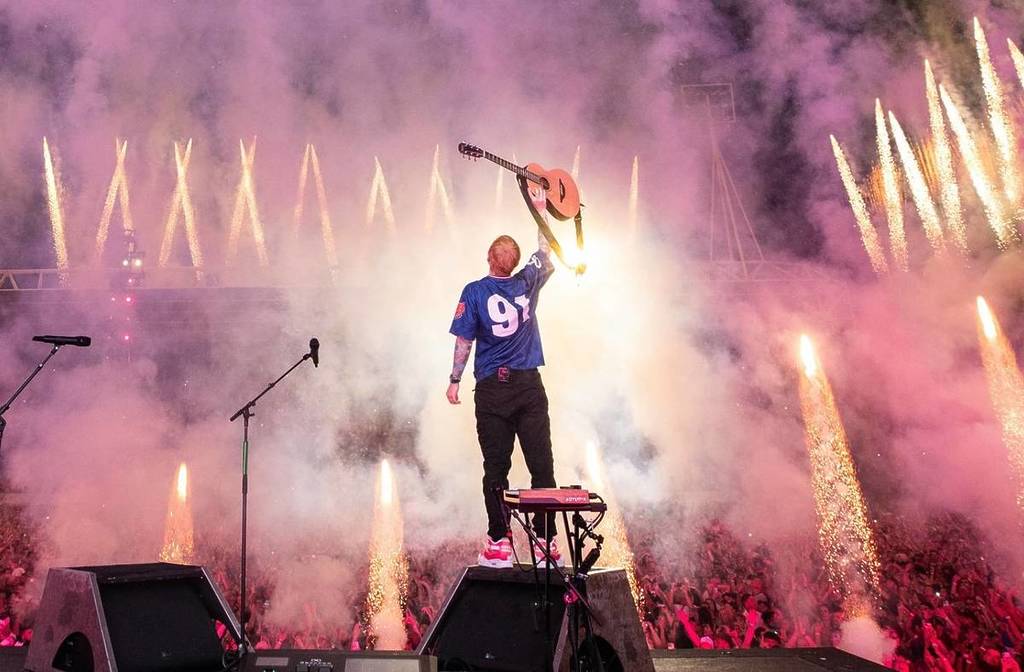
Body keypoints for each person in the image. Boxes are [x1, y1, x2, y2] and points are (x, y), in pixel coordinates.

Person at [447, 220, 560, 569]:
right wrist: (541, 211)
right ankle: (546, 543)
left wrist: (454, 379)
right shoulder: (527, 281)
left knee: (496, 468)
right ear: (514, 263)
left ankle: (499, 543)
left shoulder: (474, 291)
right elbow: (545, 249)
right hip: (528, 385)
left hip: (493, 389)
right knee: (542, 466)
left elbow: (464, 340)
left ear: (489, 257)